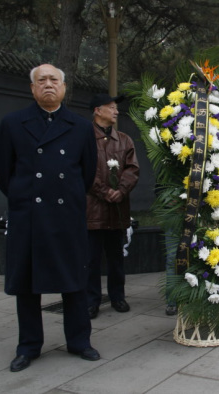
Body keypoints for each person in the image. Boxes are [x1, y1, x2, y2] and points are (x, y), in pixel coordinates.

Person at [0, 64, 100, 372]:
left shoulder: (79, 127)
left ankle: (80, 341)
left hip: (67, 216)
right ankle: (28, 346)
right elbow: (1, 168)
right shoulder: (12, 124)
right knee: (26, 284)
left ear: (64, 88)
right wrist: (21, 196)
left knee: (74, 281)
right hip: (29, 217)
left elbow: (88, 172)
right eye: (42, 80)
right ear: (32, 88)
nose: (48, 85)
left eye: (54, 80)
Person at [86, 94, 140, 319]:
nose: (116, 112)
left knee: (116, 257)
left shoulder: (125, 139)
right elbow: (83, 169)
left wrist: (121, 190)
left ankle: (118, 296)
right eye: (111, 108)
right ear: (98, 110)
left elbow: (133, 168)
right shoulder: (84, 137)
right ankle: (91, 301)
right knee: (91, 259)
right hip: (92, 209)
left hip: (118, 209)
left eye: (116, 108)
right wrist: (104, 191)